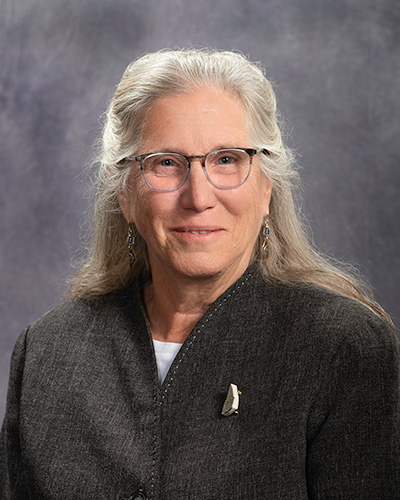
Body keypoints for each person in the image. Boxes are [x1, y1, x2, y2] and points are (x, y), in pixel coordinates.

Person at [1, 48, 399, 500]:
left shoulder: (342, 348)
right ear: (126, 194)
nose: (198, 196)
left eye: (226, 159)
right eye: (166, 162)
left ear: (266, 187)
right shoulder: (48, 352)